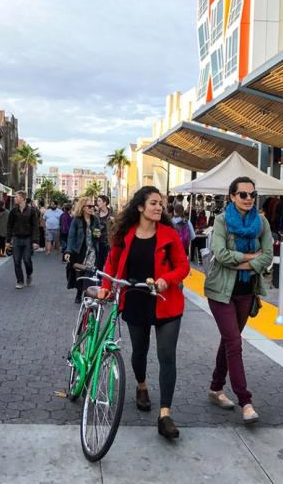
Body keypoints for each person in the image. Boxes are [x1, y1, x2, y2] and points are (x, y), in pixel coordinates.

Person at [98, 186, 190, 439]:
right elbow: (112, 263)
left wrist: (167, 279)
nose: (159, 207)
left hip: (166, 301)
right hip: (135, 299)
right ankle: (141, 386)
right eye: (153, 203)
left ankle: (165, 414)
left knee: (166, 356)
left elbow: (183, 266)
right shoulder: (125, 234)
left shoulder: (170, 234)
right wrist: (107, 287)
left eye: (161, 203)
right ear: (140, 207)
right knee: (139, 351)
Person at [203, 177, 273, 425]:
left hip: (246, 292)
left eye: (252, 194)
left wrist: (247, 262)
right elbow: (220, 255)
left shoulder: (261, 221)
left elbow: (268, 256)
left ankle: (215, 388)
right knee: (234, 343)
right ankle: (246, 401)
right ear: (232, 196)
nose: (248, 198)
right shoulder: (222, 221)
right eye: (242, 194)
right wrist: (250, 258)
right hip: (221, 292)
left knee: (228, 342)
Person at [64, 197, 101, 304]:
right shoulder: (76, 220)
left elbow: (98, 235)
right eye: (89, 206)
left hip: (92, 251)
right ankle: (79, 293)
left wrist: (97, 234)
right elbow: (71, 236)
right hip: (80, 251)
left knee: (89, 273)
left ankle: (86, 294)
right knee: (79, 274)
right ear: (83, 207)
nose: (91, 208)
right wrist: (68, 251)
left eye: (93, 206)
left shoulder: (95, 219)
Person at [6, 191, 40, 289]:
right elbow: (9, 226)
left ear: (22, 198)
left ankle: (29, 274)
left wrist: (35, 241)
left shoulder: (32, 211)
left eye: (16, 197)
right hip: (16, 239)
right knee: (16, 261)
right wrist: (8, 241)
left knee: (27, 260)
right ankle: (20, 281)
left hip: (28, 239)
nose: (14, 199)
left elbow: (35, 227)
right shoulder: (13, 211)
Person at [96, 195, 114, 269]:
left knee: (108, 264)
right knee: (98, 264)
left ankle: (107, 279)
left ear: (104, 203)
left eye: (99, 201)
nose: (97, 203)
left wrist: (115, 222)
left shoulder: (113, 213)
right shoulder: (95, 214)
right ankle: (99, 279)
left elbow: (120, 226)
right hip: (98, 242)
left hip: (108, 243)